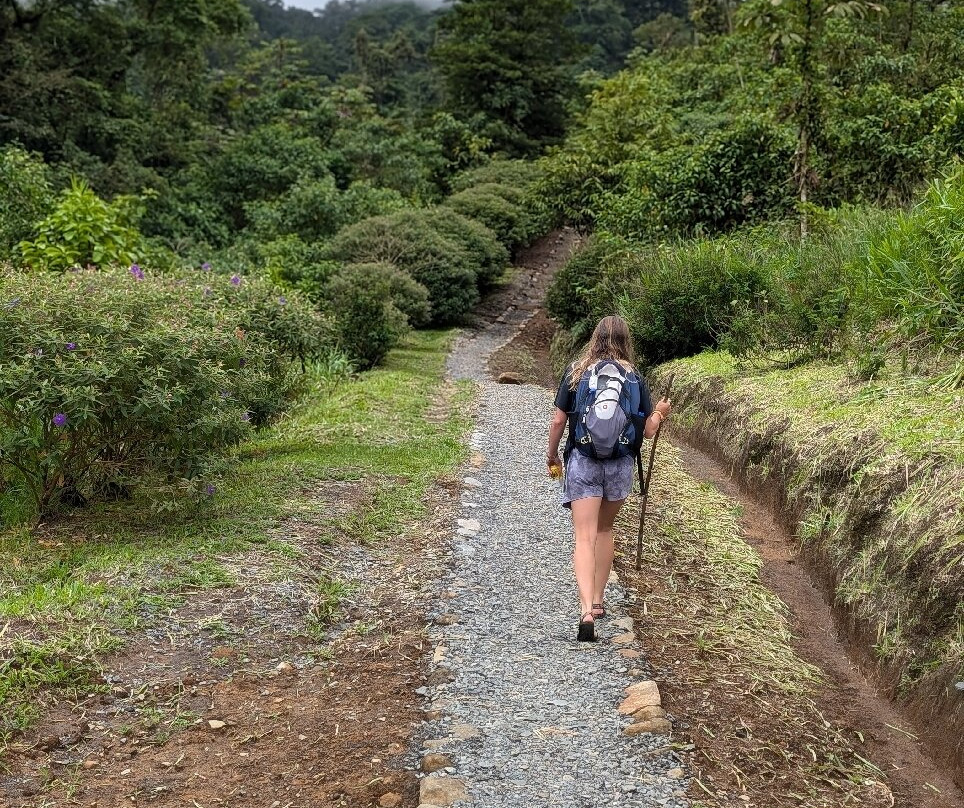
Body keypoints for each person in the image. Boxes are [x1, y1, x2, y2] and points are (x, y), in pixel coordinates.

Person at [546, 315, 671, 641]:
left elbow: (559, 420)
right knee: (605, 528)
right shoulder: (633, 378)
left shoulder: (576, 372)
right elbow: (648, 429)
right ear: (626, 340)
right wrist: (659, 412)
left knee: (584, 535)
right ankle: (600, 601)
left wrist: (552, 454)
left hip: (584, 461)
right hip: (619, 464)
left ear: (595, 338)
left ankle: (586, 610)